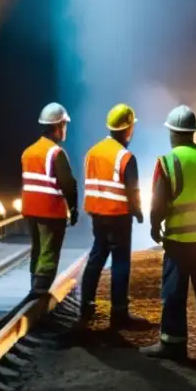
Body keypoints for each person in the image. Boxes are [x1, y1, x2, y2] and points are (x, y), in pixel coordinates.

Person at [141, 105, 196, 359]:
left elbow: (158, 203)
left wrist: (155, 226)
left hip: (178, 241)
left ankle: (173, 344)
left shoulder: (166, 162)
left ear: (173, 133)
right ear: (193, 132)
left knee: (174, 294)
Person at [80, 103, 147, 327]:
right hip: (119, 216)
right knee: (120, 263)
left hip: (97, 215)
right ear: (128, 129)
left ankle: (86, 307)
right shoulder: (126, 157)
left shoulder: (92, 153)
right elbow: (132, 190)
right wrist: (138, 212)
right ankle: (119, 314)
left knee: (96, 258)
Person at [20, 102, 79, 300]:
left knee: (37, 248)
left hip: (30, 210)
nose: (65, 130)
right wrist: (73, 207)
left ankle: (34, 286)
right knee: (49, 250)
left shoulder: (28, 152)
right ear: (58, 126)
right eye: (64, 125)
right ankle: (40, 291)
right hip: (50, 211)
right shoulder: (56, 153)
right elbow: (68, 184)